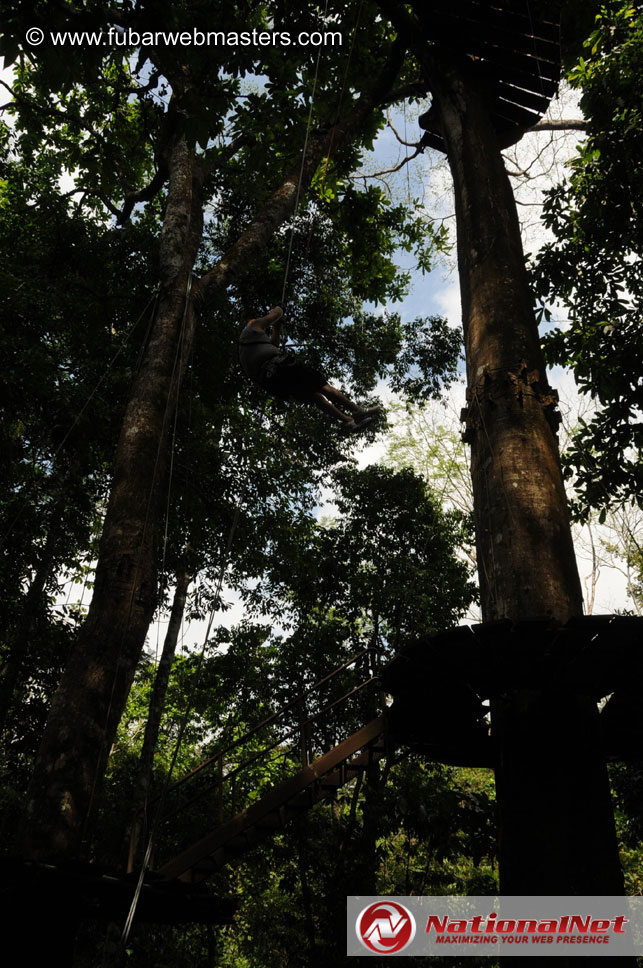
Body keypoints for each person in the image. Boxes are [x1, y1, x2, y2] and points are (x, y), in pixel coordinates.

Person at [238, 305, 380, 431]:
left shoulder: (248, 348)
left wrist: (276, 327)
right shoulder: (252, 327)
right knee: (324, 387)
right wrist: (279, 309)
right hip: (283, 369)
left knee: (316, 398)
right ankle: (357, 410)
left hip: (275, 382)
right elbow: (276, 314)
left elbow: (273, 345)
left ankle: (348, 421)